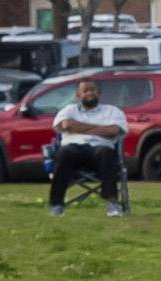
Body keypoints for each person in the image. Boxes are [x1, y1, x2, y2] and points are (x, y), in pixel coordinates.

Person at [48, 79, 127, 217]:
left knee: (107, 153)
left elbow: (113, 131)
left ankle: (112, 204)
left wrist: (79, 127)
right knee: (64, 153)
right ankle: (57, 205)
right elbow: (66, 125)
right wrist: (100, 128)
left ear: (98, 93)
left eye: (93, 89)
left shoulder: (112, 111)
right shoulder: (68, 110)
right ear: (78, 95)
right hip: (74, 150)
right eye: (85, 90)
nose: (90, 93)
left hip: (100, 150)